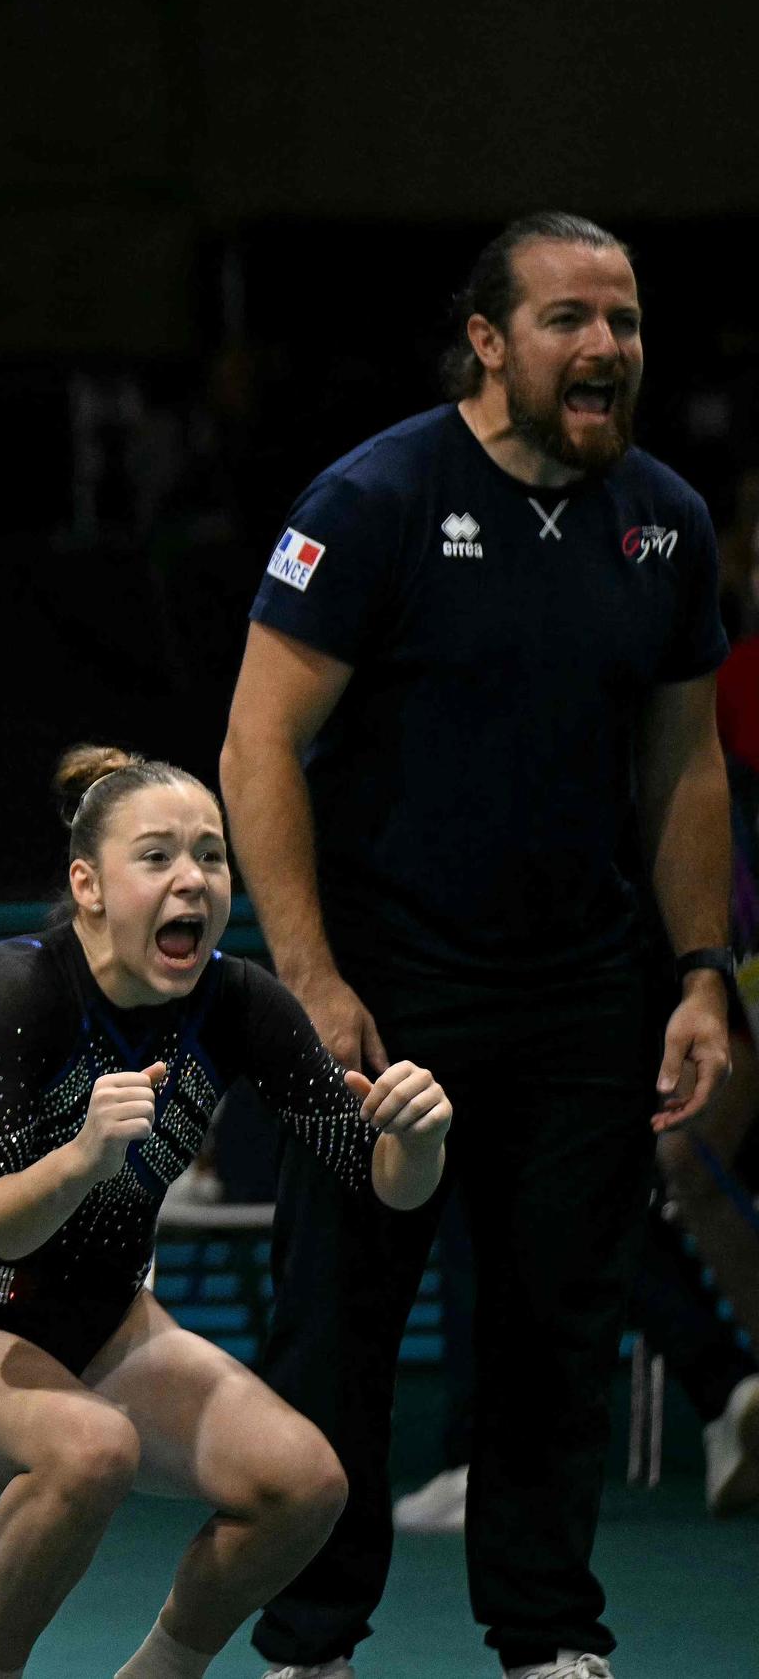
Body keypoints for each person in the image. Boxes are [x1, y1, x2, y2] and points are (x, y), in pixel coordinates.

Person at [219, 212, 732, 1679]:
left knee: (558, 1326)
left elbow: (686, 765)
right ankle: (311, 1637)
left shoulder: (667, 522)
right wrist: (310, 977)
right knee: (341, 1333)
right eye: (571, 318)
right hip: (384, 994)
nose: (607, 348)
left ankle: (549, 1637)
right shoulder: (373, 497)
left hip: (585, 992)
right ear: (491, 341)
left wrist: (698, 970)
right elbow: (260, 739)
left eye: (625, 320)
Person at [0, 747, 453, 1679]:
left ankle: (162, 1672)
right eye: (160, 856)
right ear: (87, 883)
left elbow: (373, 1175)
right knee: (92, 1447)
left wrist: (417, 1141)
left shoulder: (238, 1000)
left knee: (304, 1484)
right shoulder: (15, 989)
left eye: (211, 856)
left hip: (104, 1325)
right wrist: (81, 1160)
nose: (194, 880)